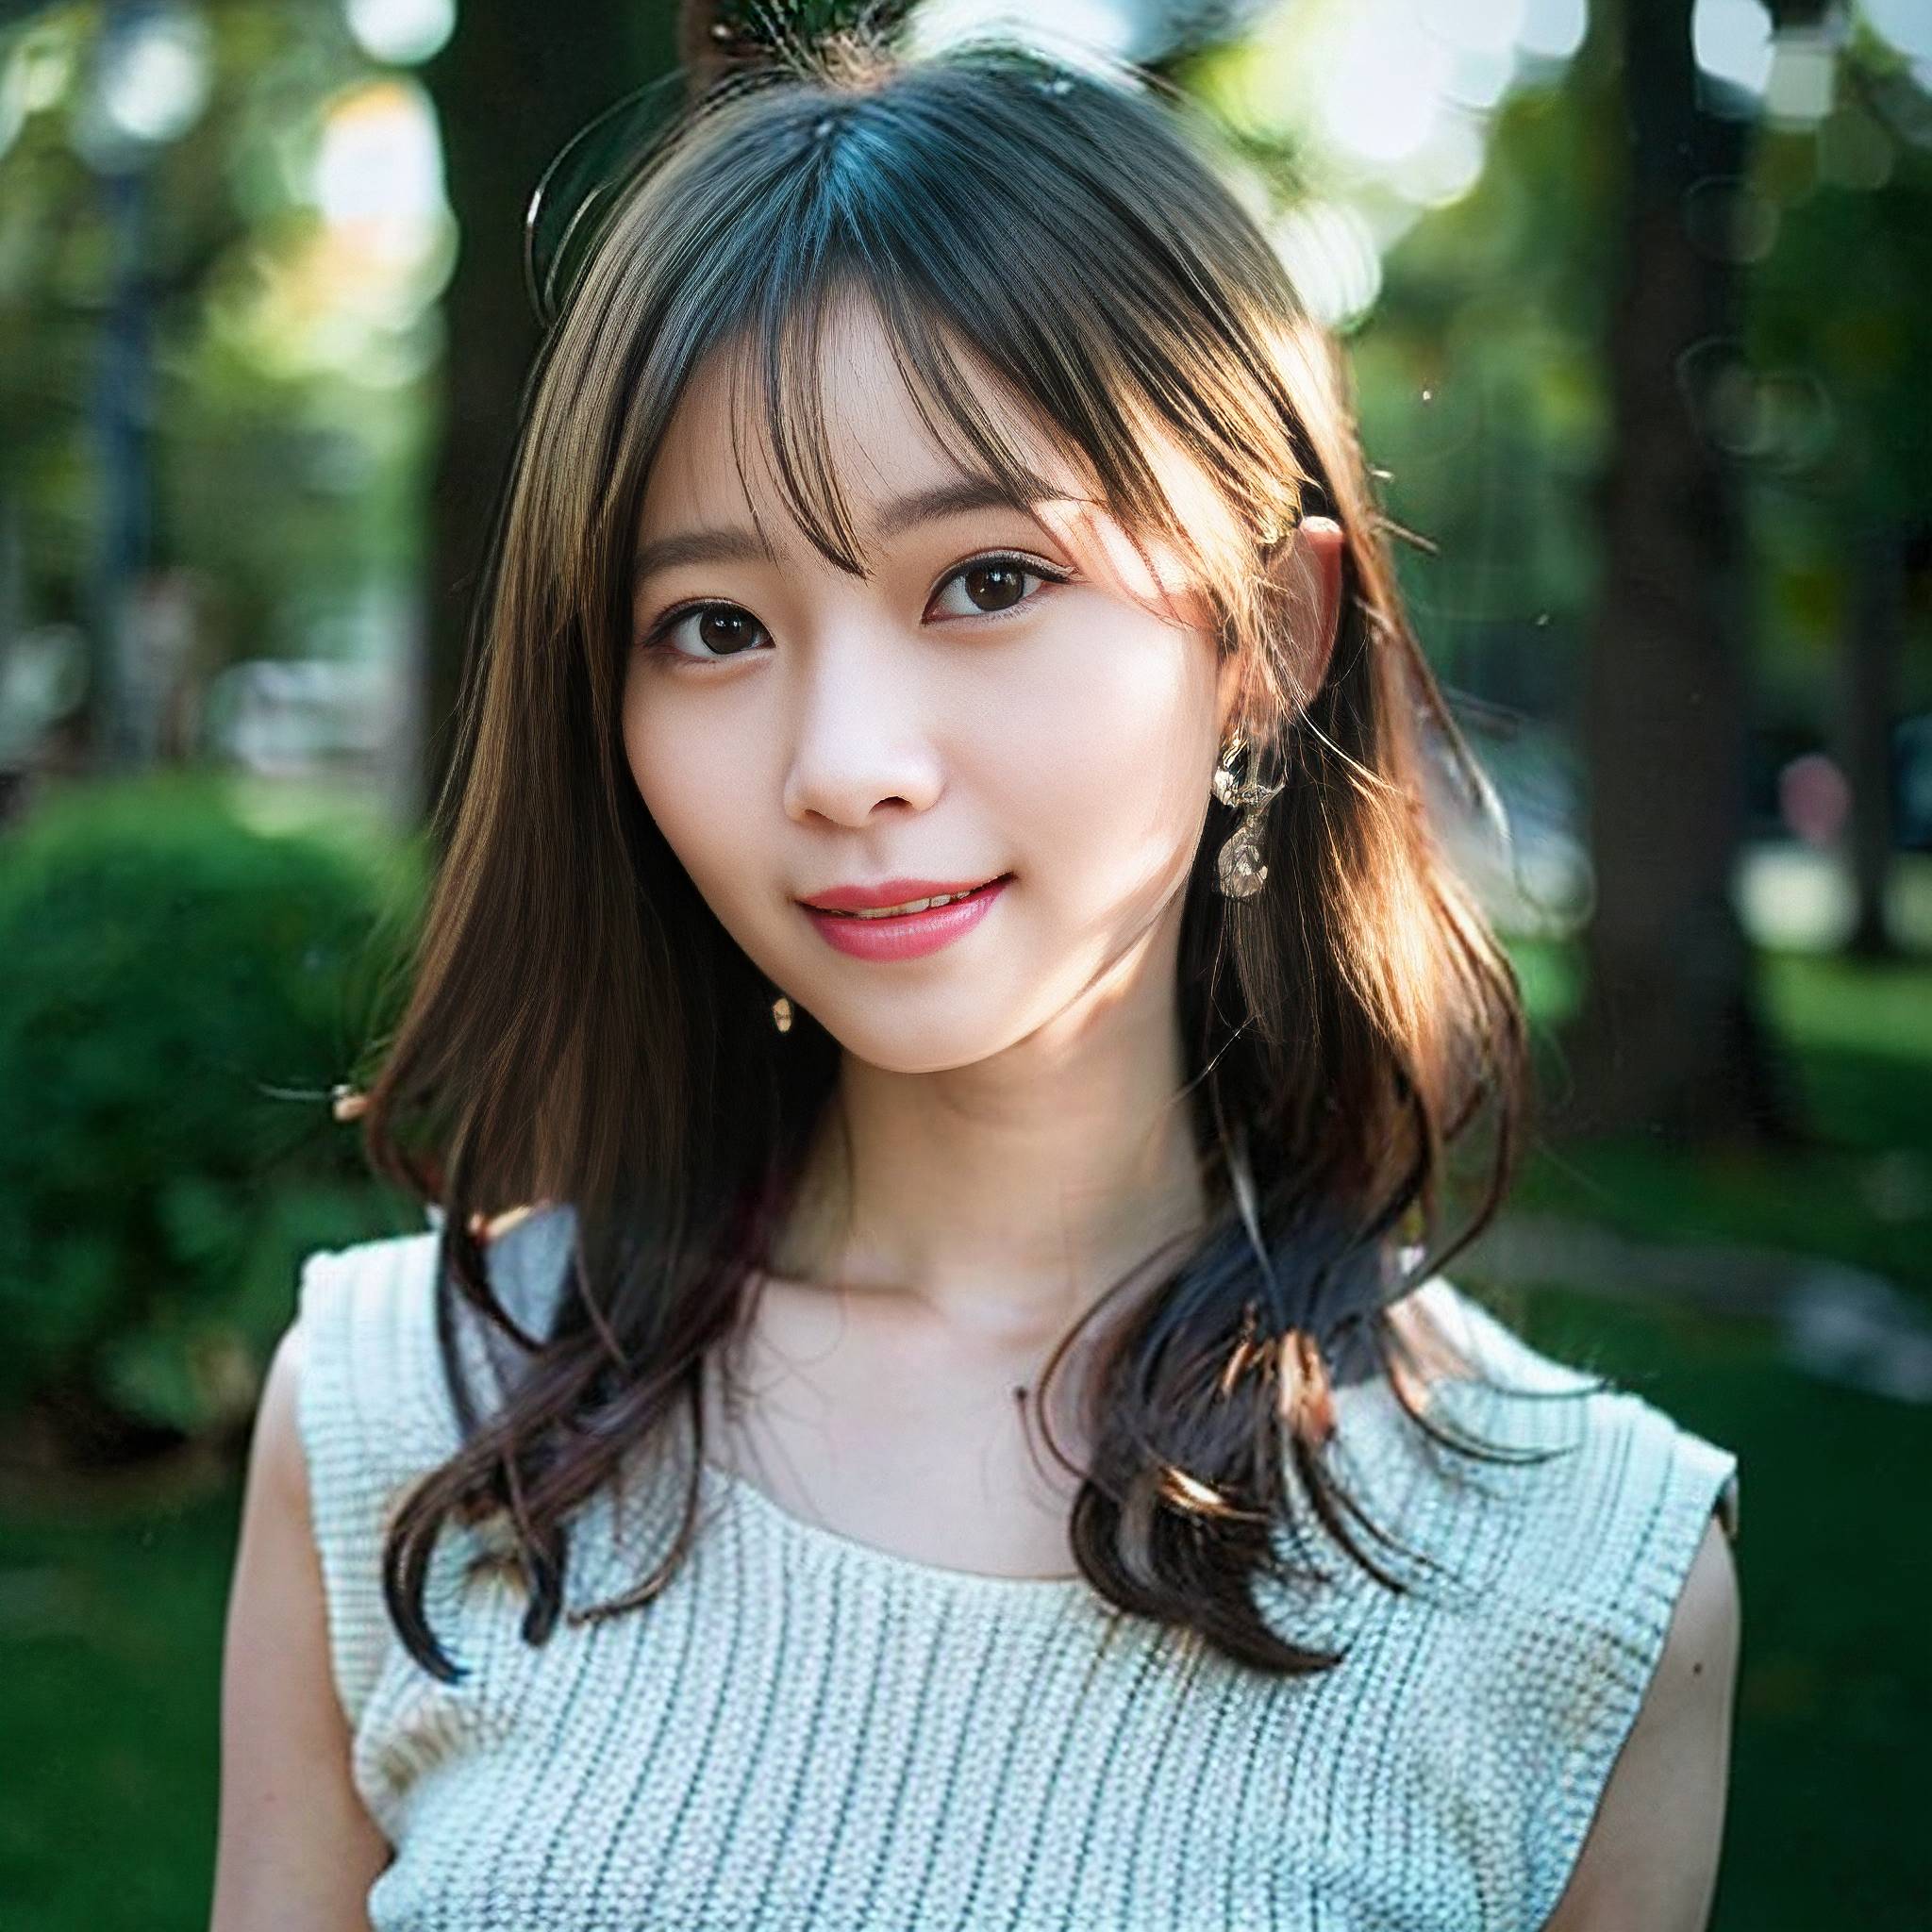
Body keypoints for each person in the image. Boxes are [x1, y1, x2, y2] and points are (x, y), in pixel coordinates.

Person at [209, 16, 1741, 1931]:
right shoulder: (395, 1420)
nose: (846, 759)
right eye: (710, 624)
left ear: (1268, 632)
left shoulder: (1577, 1577)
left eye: (988, 581)